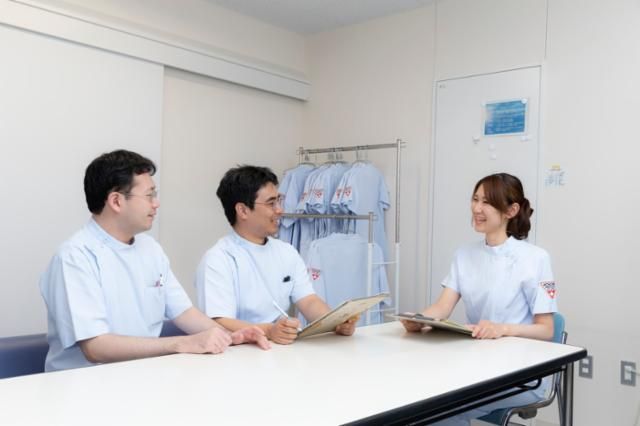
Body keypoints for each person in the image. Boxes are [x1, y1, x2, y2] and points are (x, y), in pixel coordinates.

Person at [39, 150, 270, 372]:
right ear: (116, 201)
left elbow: (184, 313)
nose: (156, 203)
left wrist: (230, 336)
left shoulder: (150, 248)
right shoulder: (75, 256)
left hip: (141, 376)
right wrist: (181, 343)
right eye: (149, 195)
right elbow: (95, 347)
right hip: (83, 385)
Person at [401, 173, 557, 425]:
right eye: (475, 199)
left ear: (511, 210)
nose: (477, 208)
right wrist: (418, 320)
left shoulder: (536, 259)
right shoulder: (464, 254)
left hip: (521, 373)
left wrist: (502, 329)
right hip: (477, 365)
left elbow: (546, 329)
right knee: (417, 396)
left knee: (441, 409)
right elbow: (442, 307)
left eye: (487, 202)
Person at [195, 165, 358, 344]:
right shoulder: (218, 259)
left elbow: (308, 300)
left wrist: (334, 322)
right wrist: (268, 331)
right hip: (238, 352)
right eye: (271, 203)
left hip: (280, 349)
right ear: (243, 210)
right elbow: (219, 322)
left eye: (279, 201)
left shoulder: (286, 252)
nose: (280, 210)